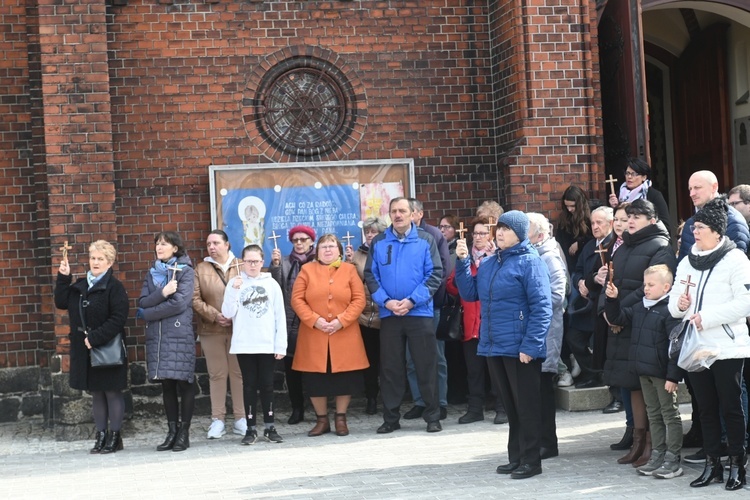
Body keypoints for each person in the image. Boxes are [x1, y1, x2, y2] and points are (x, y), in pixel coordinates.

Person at [455, 211, 552, 479]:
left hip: (520, 348)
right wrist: (463, 262)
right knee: (510, 406)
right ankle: (516, 456)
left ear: (520, 234)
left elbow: (543, 307)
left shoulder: (530, 262)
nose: (499, 233)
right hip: (494, 344)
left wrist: (531, 346)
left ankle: (531, 461)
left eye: (507, 229)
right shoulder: (490, 263)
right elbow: (470, 292)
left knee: (527, 406)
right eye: (498, 228)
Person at [669, 198, 750, 490]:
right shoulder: (688, 261)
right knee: (705, 408)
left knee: (731, 408)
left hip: (727, 346)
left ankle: (737, 465)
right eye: (694, 227)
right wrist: (679, 305)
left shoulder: (735, 259)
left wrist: (709, 317)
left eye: (700, 227)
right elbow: (674, 307)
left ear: (717, 231)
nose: (695, 231)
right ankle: (712, 465)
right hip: (696, 347)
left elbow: (745, 302)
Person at [604, 199, 676, 468]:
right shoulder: (622, 247)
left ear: (652, 219)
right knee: (631, 382)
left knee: (646, 384)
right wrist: (607, 309)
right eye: (628, 216)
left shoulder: (660, 246)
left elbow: (650, 287)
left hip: (645, 322)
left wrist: (619, 310)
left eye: (637, 216)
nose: (630, 220)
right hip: (622, 322)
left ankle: (652, 444)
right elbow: (612, 282)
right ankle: (638, 440)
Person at [364, 197, 443, 434]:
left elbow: (435, 274)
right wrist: (387, 302)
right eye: (394, 211)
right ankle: (390, 418)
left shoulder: (425, 240)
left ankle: (432, 416)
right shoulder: (379, 241)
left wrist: (411, 301)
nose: (398, 215)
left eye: (402, 211)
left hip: (419, 313)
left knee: (425, 365)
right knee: (390, 369)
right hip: (390, 315)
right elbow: (371, 276)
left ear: (412, 214)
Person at [605, 265, 684, 479]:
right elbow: (618, 318)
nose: (646, 289)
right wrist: (612, 300)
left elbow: (676, 345)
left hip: (662, 374)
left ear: (666, 287)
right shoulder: (641, 307)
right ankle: (657, 455)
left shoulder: (670, 310)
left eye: (651, 285)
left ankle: (673, 458)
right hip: (643, 371)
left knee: (669, 413)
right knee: (653, 414)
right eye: (645, 284)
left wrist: (673, 376)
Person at [54, 240, 129, 454]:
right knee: (96, 393)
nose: (95, 262)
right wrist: (64, 277)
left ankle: (115, 437)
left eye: (100, 259)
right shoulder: (80, 285)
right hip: (86, 350)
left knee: (112, 392)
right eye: (93, 258)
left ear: (109, 262)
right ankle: (101, 435)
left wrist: (96, 337)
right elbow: (61, 302)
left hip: (108, 349)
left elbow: (118, 318)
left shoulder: (114, 287)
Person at [292, 234, 368, 437]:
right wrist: (314, 320)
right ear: (317, 251)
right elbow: (297, 299)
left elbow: (359, 300)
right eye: (323, 246)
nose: (327, 250)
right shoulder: (307, 270)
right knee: (316, 379)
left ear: (339, 251)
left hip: (344, 334)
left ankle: (341, 418)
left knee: (345, 378)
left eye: (331, 246)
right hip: (314, 334)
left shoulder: (350, 270)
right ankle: (322, 420)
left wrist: (341, 321)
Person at [222, 244, 286, 445]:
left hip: (266, 343)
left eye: (256, 261)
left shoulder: (271, 284)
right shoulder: (235, 282)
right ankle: (250, 428)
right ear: (242, 262)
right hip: (245, 344)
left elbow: (279, 316)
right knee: (248, 386)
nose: (252, 265)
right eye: (248, 261)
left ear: (262, 262)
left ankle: (270, 426)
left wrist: (280, 345)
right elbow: (227, 313)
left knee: (267, 385)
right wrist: (234, 291)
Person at [138, 231, 196, 452]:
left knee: (184, 382)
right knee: (167, 384)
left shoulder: (186, 271)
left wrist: (149, 313)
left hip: (178, 335)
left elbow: (180, 304)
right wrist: (163, 292)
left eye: (164, 244)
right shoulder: (153, 273)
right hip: (158, 337)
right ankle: (171, 431)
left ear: (175, 248)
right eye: (157, 244)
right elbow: (142, 301)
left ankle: (184, 432)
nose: (159, 247)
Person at [445, 216, 504, 425]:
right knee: (474, 371)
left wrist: (489, 259)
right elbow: (452, 287)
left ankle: (501, 408)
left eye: (483, 233)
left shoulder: (499, 257)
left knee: (496, 370)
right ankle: (475, 408)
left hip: (491, 324)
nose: (478, 237)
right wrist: (462, 262)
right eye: (476, 233)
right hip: (470, 325)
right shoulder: (465, 257)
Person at [192, 230, 246, 440]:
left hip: (238, 329)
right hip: (211, 329)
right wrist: (216, 316)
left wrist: (234, 316)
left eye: (216, 243)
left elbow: (251, 293)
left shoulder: (241, 265)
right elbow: (195, 299)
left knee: (238, 373)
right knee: (216, 374)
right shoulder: (201, 268)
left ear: (227, 244)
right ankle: (218, 419)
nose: (211, 247)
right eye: (208, 244)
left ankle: (241, 418)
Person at [402, 198, 450, 422]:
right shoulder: (397, 237)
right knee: (412, 358)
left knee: (435, 357)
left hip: (431, 306)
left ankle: (439, 402)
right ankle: (420, 401)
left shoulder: (432, 235)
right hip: (405, 308)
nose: (402, 217)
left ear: (418, 214)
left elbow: (441, 270)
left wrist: (422, 295)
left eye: (408, 212)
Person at [527, 213, 568, 460]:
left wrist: (528, 303)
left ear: (539, 235)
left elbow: (558, 295)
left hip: (546, 330)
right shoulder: (532, 254)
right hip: (534, 331)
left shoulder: (549, 256)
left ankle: (548, 443)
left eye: (526, 231)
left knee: (543, 389)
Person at [270, 224, 316, 425]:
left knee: (315, 367)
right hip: (291, 321)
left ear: (311, 241)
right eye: (295, 240)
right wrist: (276, 265)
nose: (299, 243)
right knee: (292, 367)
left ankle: (319, 408)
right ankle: (297, 408)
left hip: (314, 320)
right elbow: (277, 287)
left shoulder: (318, 262)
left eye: (303, 239)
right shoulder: (286, 262)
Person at [568, 206, 614, 391]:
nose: (594, 227)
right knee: (573, 337)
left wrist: (590, 280)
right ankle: (593, 373)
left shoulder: (614, 244)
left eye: (599, 223)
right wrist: (580, 282)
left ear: (610, 223)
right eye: (592, 223)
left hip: (604, 302)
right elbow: (578, 270)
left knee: (604, 344)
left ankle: (606, 378)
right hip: (588, 304)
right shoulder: (590, 246)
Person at [346, 216, 388, 415]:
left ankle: (389, 399)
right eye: (368, 232)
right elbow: (353, 283)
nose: (370, 235)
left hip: (386, 315)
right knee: (369, 362)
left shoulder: (389, 250)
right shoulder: (357, 255)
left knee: (388, 362)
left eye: (374, 232)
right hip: (365, 317)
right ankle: (371, 399)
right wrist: (349, 265)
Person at [678, 170, 749, 262]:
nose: (692, 194)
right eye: (690, 189)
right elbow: (683, 264)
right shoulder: (690, 223)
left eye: (697, 188)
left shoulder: (733, 221)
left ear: (714, 187)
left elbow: (734, 266)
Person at [608, 158, 673, 237]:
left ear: (644, 177)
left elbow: (665, 224)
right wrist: (614, 208)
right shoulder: (619, 195)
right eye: (627, 173)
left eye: (634, 174)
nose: (629, 176)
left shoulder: (653, 195)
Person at [556, 185, 593, 274]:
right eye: (567, 206)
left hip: (588, 262)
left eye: (572, 206)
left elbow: (595, 236)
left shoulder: (591, 215)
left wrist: (580, 243)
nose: (569, 209)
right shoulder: (564, 218)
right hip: (571, 264)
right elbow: (560, 239)